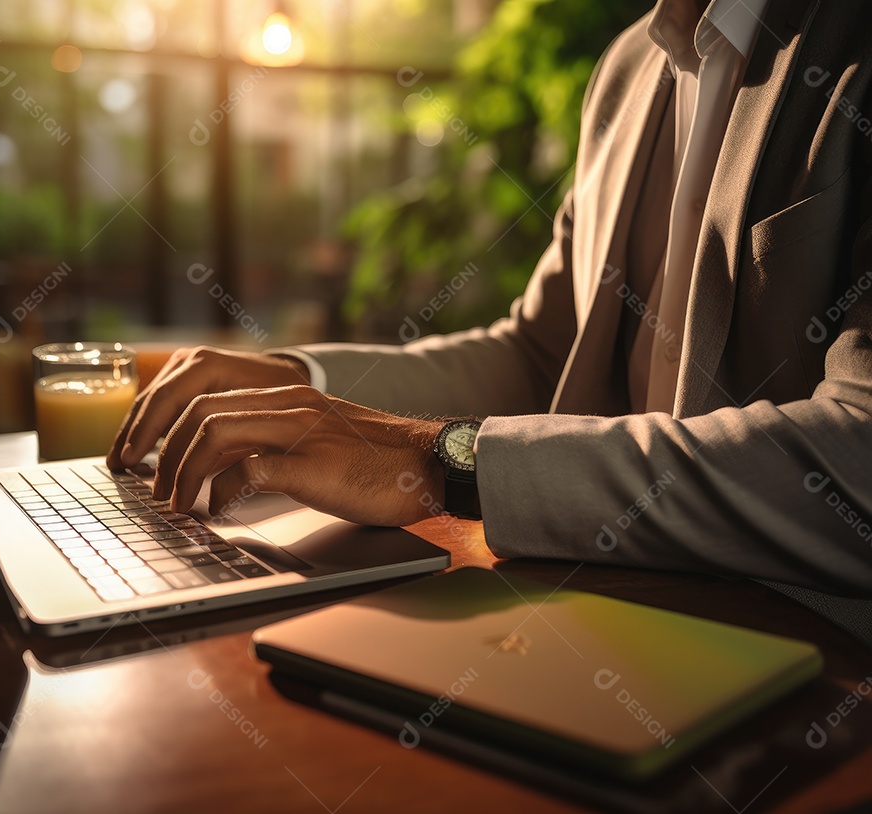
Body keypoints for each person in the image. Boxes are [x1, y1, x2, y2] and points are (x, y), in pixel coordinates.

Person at [109, 0, 872, 596]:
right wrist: (300, 383)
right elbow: (541, 354)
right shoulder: (632, 65)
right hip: (600, 594)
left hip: (809, 658)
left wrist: (446, 462)